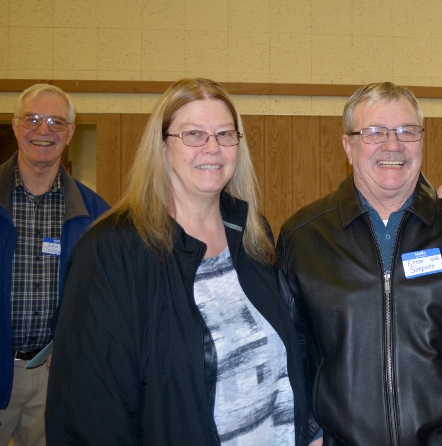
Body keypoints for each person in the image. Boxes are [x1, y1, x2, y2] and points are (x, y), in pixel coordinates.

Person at [45, 78, 314, 445]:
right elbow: (88, 411)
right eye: (193, 135)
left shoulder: (253, 235)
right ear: (162, 146)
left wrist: (307, 429)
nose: (212, 148)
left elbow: (287, 357)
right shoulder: (112, 252)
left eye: (224, 134)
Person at [278, 82, 442, 446]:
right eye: (375, 132)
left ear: (422, 140)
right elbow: (286, 348)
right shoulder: (303, 239)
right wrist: (309, 433)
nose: (393, 145)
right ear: (348, 146)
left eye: (407, 131)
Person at [0, 84, 110, 445]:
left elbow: (103, 302)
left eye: (56, 121)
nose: (43, 130)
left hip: (54, 376)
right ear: (15, 126)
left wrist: (73, 344)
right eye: (32, 119)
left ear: (71, 133)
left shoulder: (97, 215)